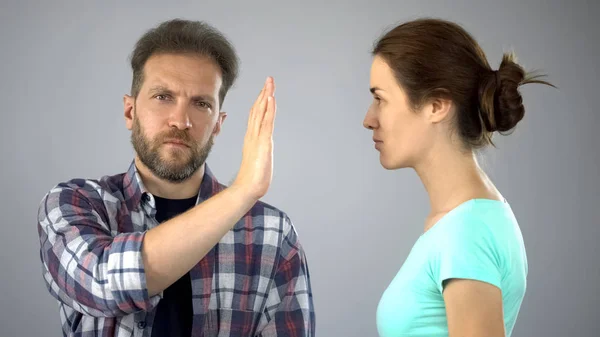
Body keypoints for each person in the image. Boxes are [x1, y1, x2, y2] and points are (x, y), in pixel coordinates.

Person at [37, 19, 315, 337]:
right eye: (163, 97)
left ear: (219, 123)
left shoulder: (273, 235)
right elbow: (101, 284)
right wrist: (242, 192)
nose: (181, 121)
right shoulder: (75, 203)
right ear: (130, 111)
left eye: (201, 104)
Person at [363, 18, 553, 337]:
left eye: (380, 99)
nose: (368, 119)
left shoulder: (467, 234)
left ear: (437, 106)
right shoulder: (466, 221)